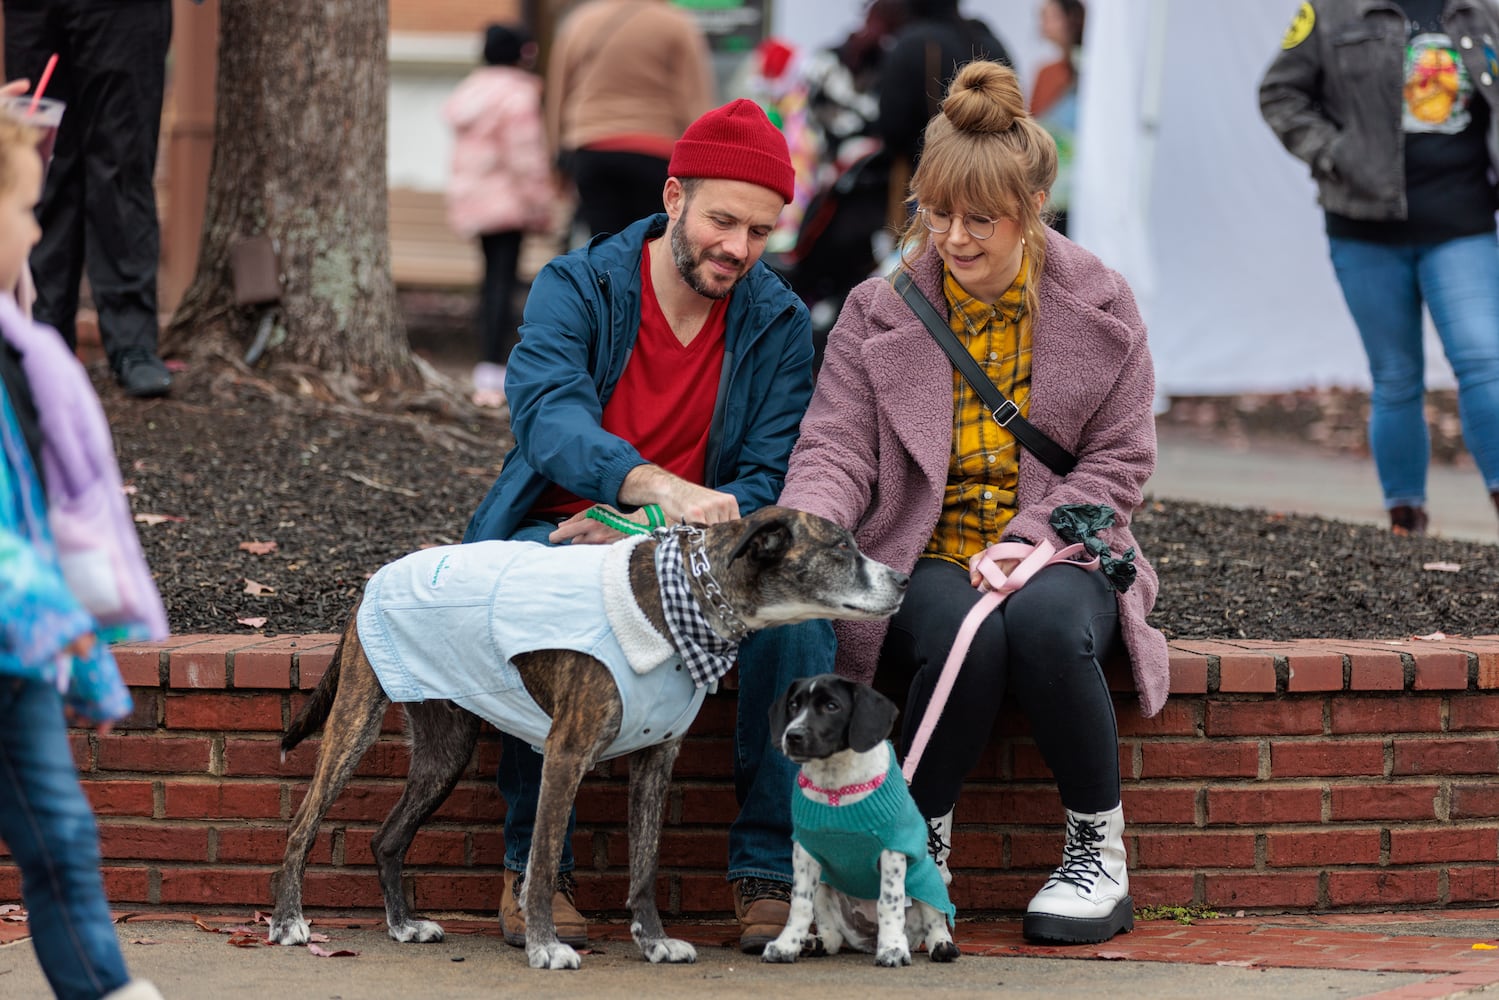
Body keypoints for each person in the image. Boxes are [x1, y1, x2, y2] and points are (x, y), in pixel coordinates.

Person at [778, 60, 1170, 946]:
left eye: (978, 219)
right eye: (934, 212)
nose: (952, 237)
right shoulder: (881, 308)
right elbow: (837, 445)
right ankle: (923, 850)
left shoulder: (1100, 302)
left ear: (1030, 210)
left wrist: (1032, 539)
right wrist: (809, 525)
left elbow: (1116, 463)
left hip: (1062, 547)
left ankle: (1094, 852)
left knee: (1042, 625)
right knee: (969, 626)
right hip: (926, 551)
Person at [463, 98, 833, 954]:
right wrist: (642, 488)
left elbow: (764, 474)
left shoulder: (776, 320)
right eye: (721, 220)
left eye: (759, 230)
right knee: (530, 596)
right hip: (565, 532)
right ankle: (535, 871)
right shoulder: (578, 285)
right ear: (673, 198)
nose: (737, 248)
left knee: (799, 619)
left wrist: (660, 528)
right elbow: (547, 417)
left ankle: (766, 871)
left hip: (700, 549)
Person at [0, 111, 164, 1000]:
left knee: (61, 836)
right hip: (26, 631)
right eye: (21, 211)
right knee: (58, 834)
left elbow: (43, 521)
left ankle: (101, 989)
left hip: (18, 646)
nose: (33, 230)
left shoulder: (18, 352)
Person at [1260, 0, 1499, 535]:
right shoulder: (1329, 10)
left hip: (1465, 222)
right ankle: (1405, 522)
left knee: (1484, 359)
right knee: (1396, 378)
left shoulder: (1481, 9)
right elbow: (1279, 93)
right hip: (1364, 226)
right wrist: (1334, 153)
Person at [2, 0, 174, 398]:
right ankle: (39, 335)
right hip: (34, 12)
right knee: (37, 159)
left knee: (123, 163)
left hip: (127, 11)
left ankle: (132, 341)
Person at [442, 22, 555, 409]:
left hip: (476, 203)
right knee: (504, 285)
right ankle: (496, 372)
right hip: (508, 204)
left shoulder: (471, 92)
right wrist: (542, 207)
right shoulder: (517, 97)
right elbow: (526, 159)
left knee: (491, 282)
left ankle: (486, 366)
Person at [545, 0, 715, 240]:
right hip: (655, 148)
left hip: (592, 147)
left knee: (603, 242)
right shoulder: (675, 24)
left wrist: (556, 157)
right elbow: (694, 98)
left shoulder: (580, 22)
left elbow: (558, 95)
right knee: (652, 243)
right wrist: (704, 162)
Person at [875, 0, 1010, 229]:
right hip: (992, 177)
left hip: (930, 175)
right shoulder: (986, 40)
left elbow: (892, 126)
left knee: (930, 254)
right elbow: (1012, 105)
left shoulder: (911, 44)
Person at [1029, 0, 1085, 236]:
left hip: (1066, 184)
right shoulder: (1049, 71)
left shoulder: (1059, 73)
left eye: (1048, 15)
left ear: (1069, 20)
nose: (1041, 22)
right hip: (1054, 183)